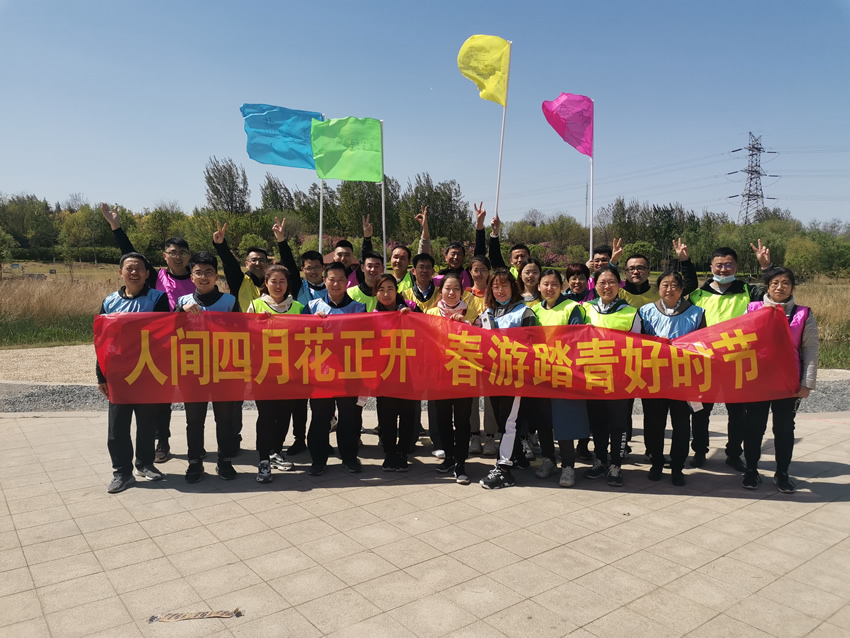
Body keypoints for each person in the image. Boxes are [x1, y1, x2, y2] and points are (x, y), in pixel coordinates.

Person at [100, 203, 193, 463]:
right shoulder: (156, 278)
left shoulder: (197, 276)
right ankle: (161, 442)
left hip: (191, 345)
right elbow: (132, 259)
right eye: (172, 253)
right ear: (165, 256)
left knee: (193, 397)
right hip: (160, 348)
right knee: (161, 399)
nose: (177, 257)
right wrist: (116, 228)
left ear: (189, 257)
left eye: (182, 253)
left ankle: (197, 446)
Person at [688, 241, 773, 471]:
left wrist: (766, 267)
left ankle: (734, 453)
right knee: (700, 411)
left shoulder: (749, 292)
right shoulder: (697, 295)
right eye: (719, 265)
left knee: (738, 413)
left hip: (738, 364)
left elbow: (774, 294)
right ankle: (699, 451)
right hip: (706, 363)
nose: (723, 269)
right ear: (711, 267)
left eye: (728, 265)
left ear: (736, 267)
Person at [96, 252, 170, 493]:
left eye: (139, 268)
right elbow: (102, 341)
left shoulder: (158, 298)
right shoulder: (109, 302)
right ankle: (122, 473)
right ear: (120, 272)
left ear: (147, 273)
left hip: (147, 370)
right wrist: (101, 375)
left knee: (147, 423)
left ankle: (145, 464)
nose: (134, 272)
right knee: (117, 426)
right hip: (118, 374)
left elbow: (164, 332)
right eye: (129, 268)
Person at [742, 267, 818, 494]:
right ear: (768, 286)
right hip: (758, 381)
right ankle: (751, 470)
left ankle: (782, 473)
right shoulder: (753, 309)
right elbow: (742, 343)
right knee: (754, 427)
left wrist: (807, 383)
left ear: (792, 287)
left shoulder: (803, 314)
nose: (780, 287)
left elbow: (810, 349)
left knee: (784, 429)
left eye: (785, 283)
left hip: (788, 383)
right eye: (775, 283)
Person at [212, 220, 282, 449]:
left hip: (271, 349)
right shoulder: (240, 280)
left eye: (262, 260)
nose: (258, 263)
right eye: (254, 260)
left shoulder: (276, 285)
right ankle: (233, 439)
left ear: (268, 263)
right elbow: (229, 264)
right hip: (240, 346)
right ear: (247, 263)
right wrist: (221, 246)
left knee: (271, 398)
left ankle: (274, 443)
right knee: (235, 396)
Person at [175, 252, 240, 483]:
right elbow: (170, 331)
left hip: (223, 369)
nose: (204, 277)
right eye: (198, 272)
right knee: (194, 420)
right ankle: (194, 462)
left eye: (209, 272)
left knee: (225, 419)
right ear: (191, 277)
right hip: (193, 370)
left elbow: (241, 333)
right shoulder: (182, 302)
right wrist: (180, 314)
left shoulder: (229, 301)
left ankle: (225, 460)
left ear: (216, 276)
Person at [639, 270, 707, 486]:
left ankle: (678, 466)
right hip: (654, 378)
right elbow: (637, 343)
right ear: (658, 288)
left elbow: (702, 344)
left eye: (674, 285)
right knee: (654, 423)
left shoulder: (696, 313)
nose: (669, 289)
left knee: (682, 425)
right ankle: (656, 462)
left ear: (682, 289)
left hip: (683, 379)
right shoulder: (645, 311)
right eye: (665, 285)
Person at [304, 262, 368, 475]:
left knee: (349, 417)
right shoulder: (312, 307)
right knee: (320, 417)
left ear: (347, 282)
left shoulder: (359, 308)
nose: (336, 283)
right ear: (325, 281)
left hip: (349, 372)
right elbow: (298, 336)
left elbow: (368, 339)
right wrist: (311, 324)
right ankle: (318, 459)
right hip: (321, 373)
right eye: (332, 279)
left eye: (341, 280)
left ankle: (349, 457)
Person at [478, 269, 538, 489]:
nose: (500, 290)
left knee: (509, 422)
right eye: (495, 286)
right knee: (502, 419)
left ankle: (504, 469)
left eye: (504, 285)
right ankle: (518, 457)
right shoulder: (488, 313)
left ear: (513, 287)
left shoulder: (524, 312)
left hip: (515, 377)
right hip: (494, 376)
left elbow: (534, 345)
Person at [582, 266, 641, 487]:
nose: (607, 287)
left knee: (618, 423)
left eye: (612, 282)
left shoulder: (631, 312)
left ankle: (616, 463)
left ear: (619, 285)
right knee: (597, 422)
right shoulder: (586, 309)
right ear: (595, 285)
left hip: (620, 378)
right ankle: (599, 460)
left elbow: (638, 347)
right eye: (602, 282)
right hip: (593, 376)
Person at [246, 264, 305, 483]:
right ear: (266, 283)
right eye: (273, 281)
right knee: (267, 415)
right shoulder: (256, 305)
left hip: (291, 371)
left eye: (282, 281)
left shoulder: (298, 307)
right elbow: (244, 335)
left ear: (288, 284)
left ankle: (276, 451)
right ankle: (263, 460)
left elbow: (309, 335)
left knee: (285, 414)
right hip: (264, 372)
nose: (278, 286)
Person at [532, 269, 588, 486]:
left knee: (565, 421)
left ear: (562, 286)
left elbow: (575, 339)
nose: (549, 288)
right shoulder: (534, 310)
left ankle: (568, 465)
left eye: (554, 284)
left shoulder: (572, 308)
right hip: (540, 374)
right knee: (543, 420)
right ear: (539, 286)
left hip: (564, 373)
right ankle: (548, 459)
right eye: (545, 284)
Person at [274, 217, 323, 456]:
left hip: (325, 352)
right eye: (308, 267)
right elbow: (288, 266)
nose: (312, 271)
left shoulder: (333, 288)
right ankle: (299, 438)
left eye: (316, 267)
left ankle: (322, 439)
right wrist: (282, 241)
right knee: (299, 401)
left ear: (323, 268)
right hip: (299, 352)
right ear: (303, 269)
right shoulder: (298, 287)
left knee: (323, 402)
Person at [426, 273, 478, 484]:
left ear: (462, 292)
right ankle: (449, 457)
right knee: (443, 419)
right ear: (441, 291)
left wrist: (467, 324)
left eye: (456, 289)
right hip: (439, 375)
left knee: (462, 421)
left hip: (464, 374)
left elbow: (481, 340)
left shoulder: (471, 312)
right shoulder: (430, 313)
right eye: (447, 288)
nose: (451, 292)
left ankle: (461, 462)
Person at [374, 274, 420, 470]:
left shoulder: (411, 308)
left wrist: (411, 317)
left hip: (408, 371)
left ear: (396, 290)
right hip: (384, 373)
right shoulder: (372, 315)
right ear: (376, 293)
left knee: (408, 414)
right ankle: (390, 452)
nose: (386, 294)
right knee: (387, 416)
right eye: (381, 289)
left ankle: (403, 451)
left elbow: (425, 330)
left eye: (390, 289)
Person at [465, 255, 494, 455]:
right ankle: (474, 434)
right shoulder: (464, 295)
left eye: (483, 269)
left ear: (489, 272)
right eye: (476, 269)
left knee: (491, 396)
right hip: (469, 353)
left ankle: (490, 436)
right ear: (470, 272)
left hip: (491, 353)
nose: (479, 273)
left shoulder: (494, 294)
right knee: (471, 396)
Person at [487, 212, 529, 279]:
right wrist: (495, 233)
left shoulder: (538, 275)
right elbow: (495, 258)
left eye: (523, 256)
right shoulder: (509, 275)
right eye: (516, 257)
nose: (520, 260)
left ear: (529, 258)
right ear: (511, 261)